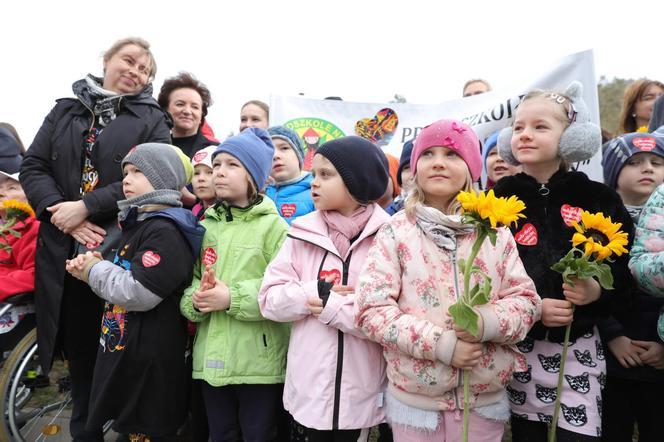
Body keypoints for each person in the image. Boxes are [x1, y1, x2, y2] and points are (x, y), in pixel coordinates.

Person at [20, 36, 171, 441]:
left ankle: (113, 429)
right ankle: (84, 429)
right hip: (60, 242)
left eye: (145, 70)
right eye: (130, 61)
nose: (136, 72)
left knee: (115, 349)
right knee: (81, 354)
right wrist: (60, 211)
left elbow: (156, 174)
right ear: (106, 59)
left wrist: (86, 207)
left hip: (117, 243)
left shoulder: (151, 118)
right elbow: (33, 165)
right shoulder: (66, 110)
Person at [355, 119, 541, 442]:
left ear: (471, 169)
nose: (438, 162)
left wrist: (484, 323)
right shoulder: (396, 231)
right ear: (415, 168)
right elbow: (371, 310)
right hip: (416, 402)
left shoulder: (496, 231)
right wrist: (442, 345)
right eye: (428, 154)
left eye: (452, 155)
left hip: (482, 399)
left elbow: (527, 303)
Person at [492, 82, 634, 441]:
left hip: (578, 347)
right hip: (517, 348)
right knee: (527, 435)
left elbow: (626, 276)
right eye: (519, 127)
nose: (525, 135)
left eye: (540, 127)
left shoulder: (598, 198)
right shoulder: (494, 202)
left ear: (573, 137)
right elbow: (480, 276)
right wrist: (531, 308)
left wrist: (596, 290)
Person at [64, 143, 204, 440]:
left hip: (150, 366)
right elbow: (127, 274)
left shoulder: (165, 230)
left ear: (164, 178)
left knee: (148, 430)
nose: (127, 179)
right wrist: (97, 266)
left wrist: (93, 271)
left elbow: (139, 292)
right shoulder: (140, 223)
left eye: (139, 171)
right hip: (130, 356)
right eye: (126, 171)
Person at [259, 136, 390, 441]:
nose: (314, 182)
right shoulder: (301, 232)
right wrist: (311, 293)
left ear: (357, 181)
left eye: (326, 175)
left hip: (361, 392)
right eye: (314, 173)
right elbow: (269, 299)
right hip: (308, 390)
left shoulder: (390, 237)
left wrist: (336, 306)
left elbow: (387, 314)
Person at [180, 128, 290, 442]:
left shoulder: (274, 227)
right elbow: (190, 285)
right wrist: (197, 300)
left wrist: (231, 298)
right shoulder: (205, 225)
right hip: (211, 361)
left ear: (254, 176)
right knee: (221, 434)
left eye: (232, 165)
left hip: (259, 364)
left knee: (259, 434)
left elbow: (283, 291)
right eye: (217, 166)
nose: (219, 173)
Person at [599, 131, 664, 441]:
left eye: (656, 162)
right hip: (611, 362)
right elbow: (586, 288)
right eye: (635, 162)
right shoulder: (597, 224)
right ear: (613, 174)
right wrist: (612, 335)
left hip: (660, 359)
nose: (648, 168)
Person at [0, 170, 38, 355]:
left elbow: (33, 275)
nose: (1, 192)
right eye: (0, 188)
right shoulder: (3, 227)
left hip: (14, 307)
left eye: (12, 187)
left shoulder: (33, 229)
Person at [157, 72, 217, 158]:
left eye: (195, 107)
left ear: (201, 115)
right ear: (166, 109)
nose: (187, 111)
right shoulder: (154, 148)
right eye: (180, 104)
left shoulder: (215, 151)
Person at [265, 125, 315, 224]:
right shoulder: (258, 195)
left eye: (284, 148)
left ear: (299, 155)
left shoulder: (317, 193)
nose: (275, 155)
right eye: (269, 151)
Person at [190, 145, 218, 219]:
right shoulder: (195, 211)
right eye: (196, 173)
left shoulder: (230, 214)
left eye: (210, 172)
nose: (201, 178)